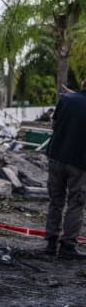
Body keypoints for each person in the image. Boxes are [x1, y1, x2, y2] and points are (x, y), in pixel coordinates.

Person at [44, 77, 86, 258]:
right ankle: (68, 246)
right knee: (76, 204)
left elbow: (53, 125)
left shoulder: (67, 100)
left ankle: (51, 243)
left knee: (56, 201)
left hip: (56, 156)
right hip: (79, 163)